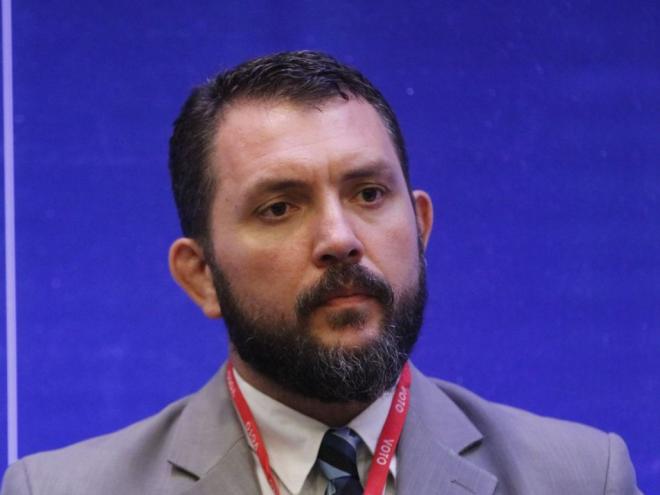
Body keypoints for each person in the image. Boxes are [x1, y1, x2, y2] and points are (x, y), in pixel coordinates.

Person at [1, 51, 641, 495]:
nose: (340, 239)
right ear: (201, 276)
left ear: (420, 228)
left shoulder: (583, 479)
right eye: (279, 207)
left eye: (369, 194)